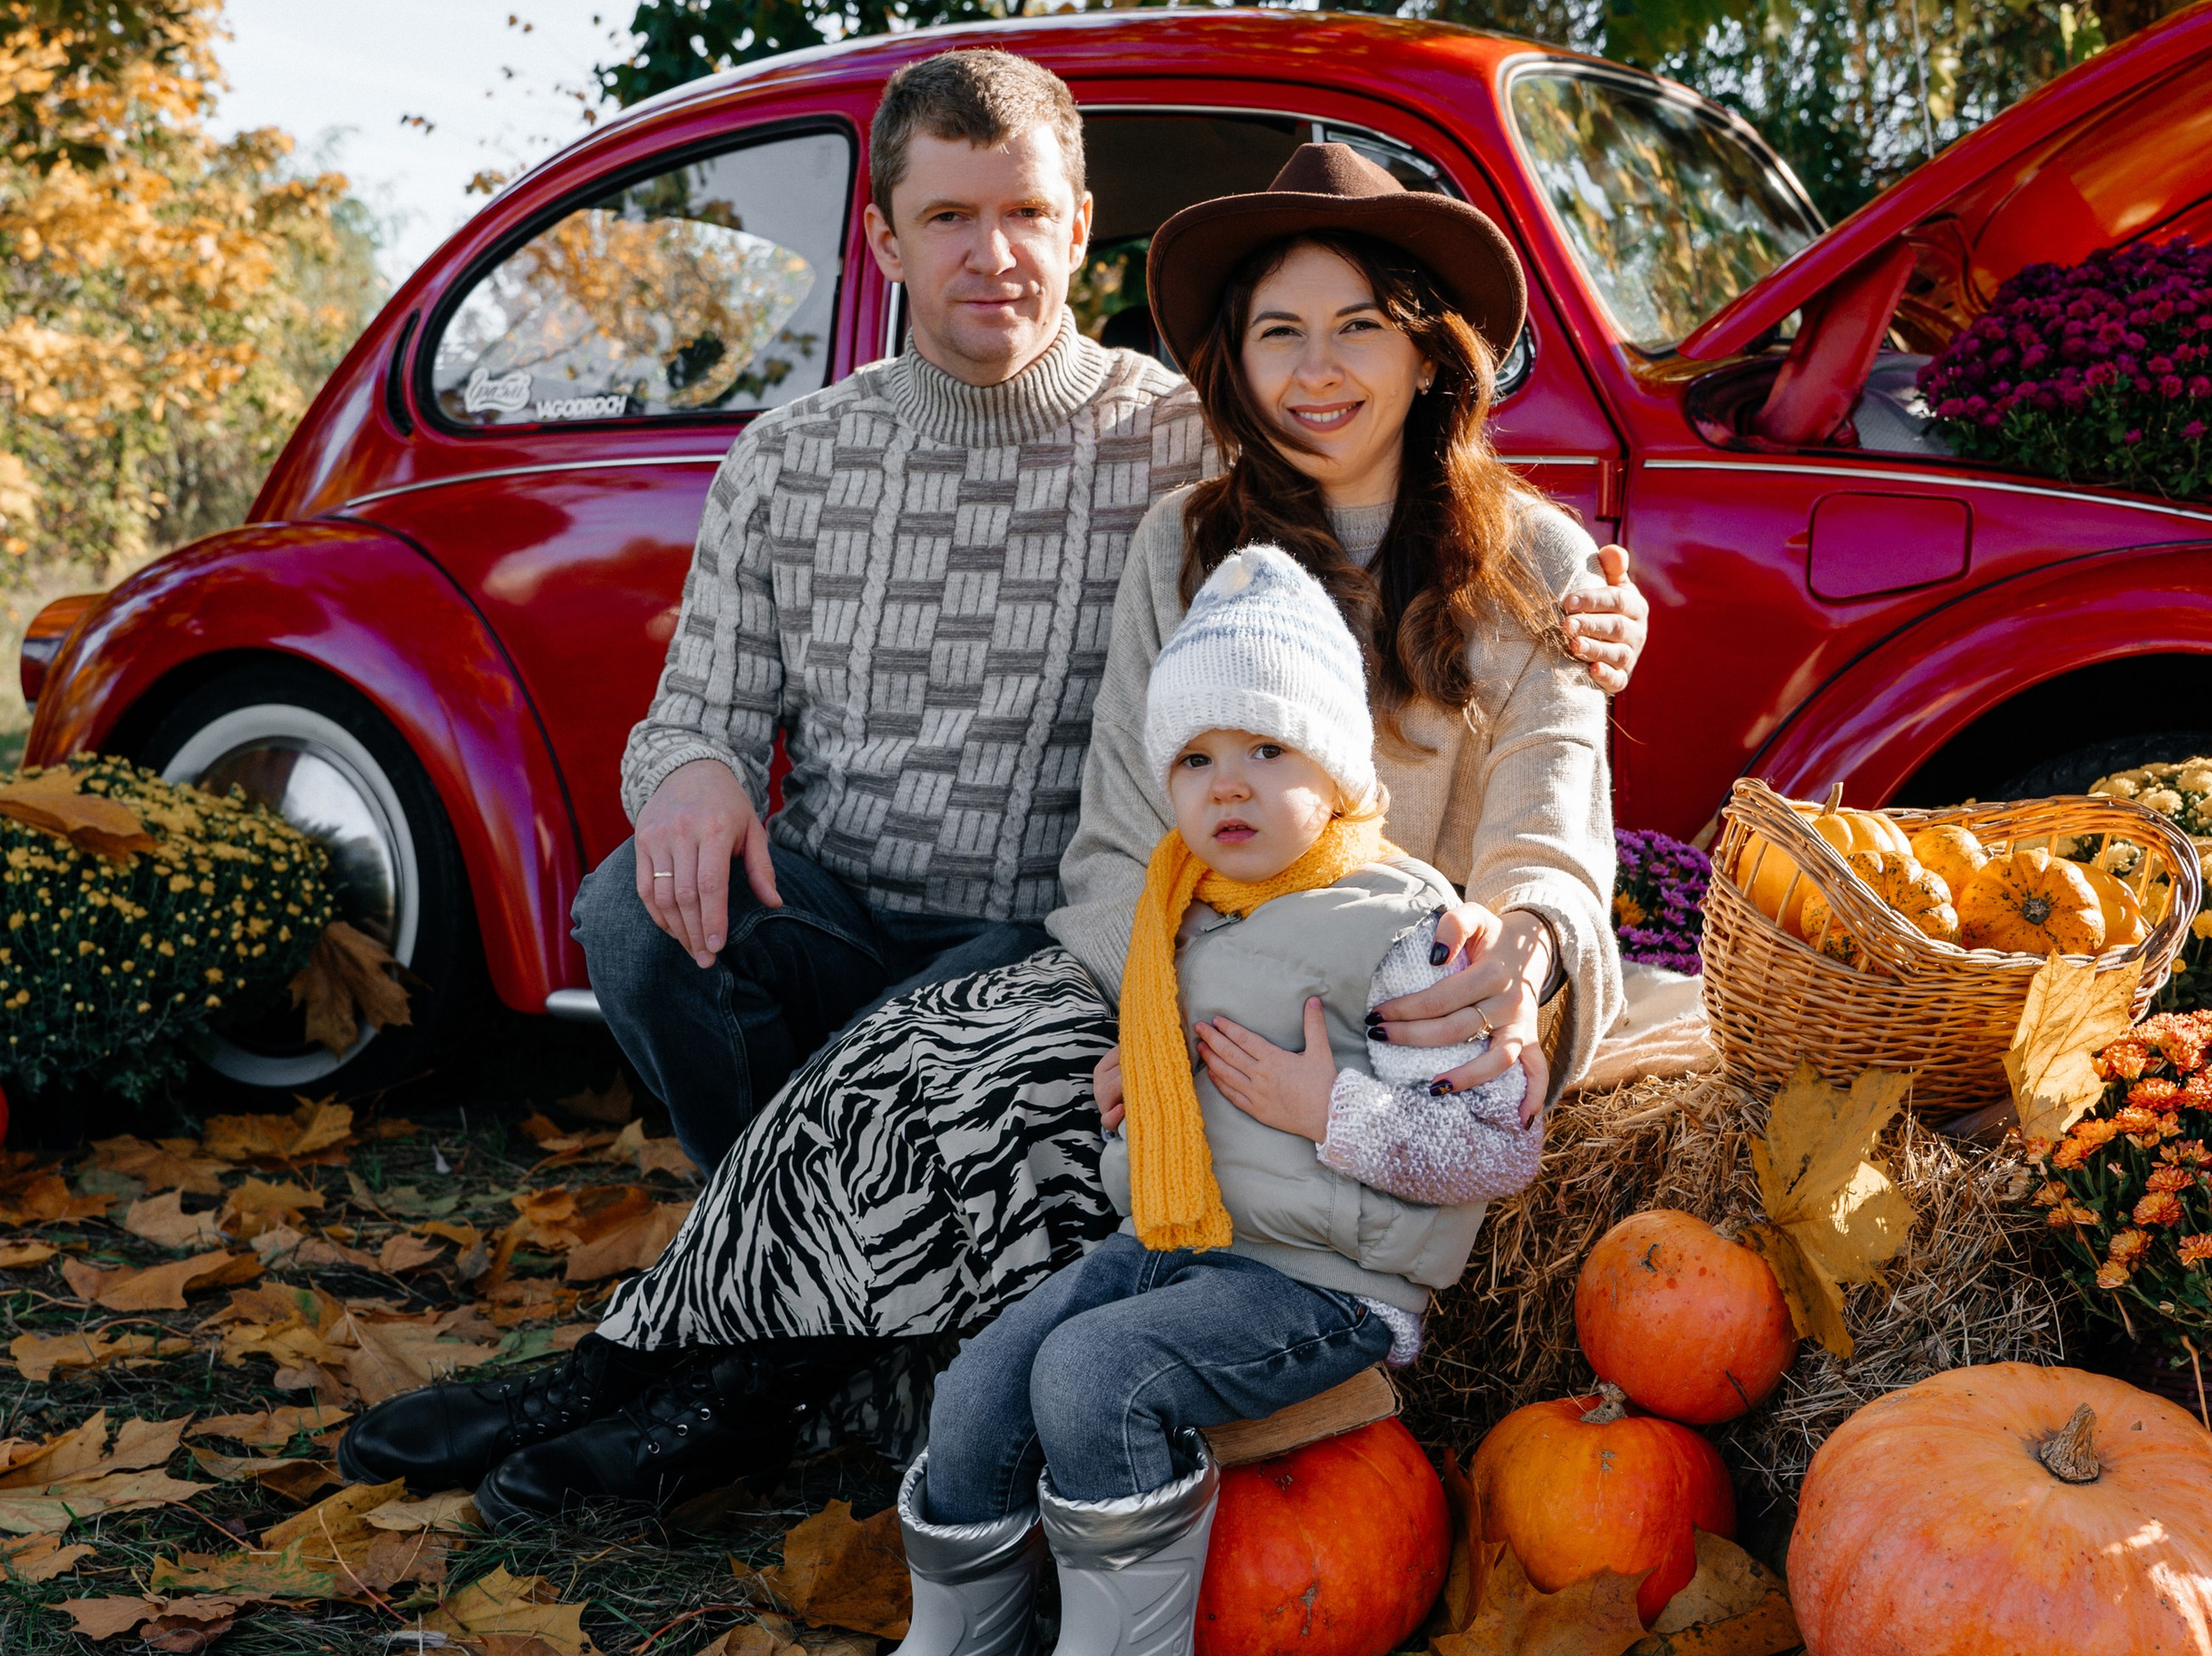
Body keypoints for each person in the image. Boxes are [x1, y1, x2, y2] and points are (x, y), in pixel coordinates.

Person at [342, 85, 1642, 1516]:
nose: (1316, 371)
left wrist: (1530, 941)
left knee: (929, 1079)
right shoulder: (1184, 528)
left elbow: (1550, 831)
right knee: (757, 990)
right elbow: (1122, 828)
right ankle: (668, 1371)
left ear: (1430, 347)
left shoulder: (1498, 553)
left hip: (1297, 988)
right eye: (1280, 332)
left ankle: (703, 1382)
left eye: (1362, 328)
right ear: (886, 239)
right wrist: (696, 767)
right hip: (1064, 940)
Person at [811, 544, 1555, 1656]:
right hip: (1183, 1241)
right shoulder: (1183, 912)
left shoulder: (1409, 929)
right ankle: (960, 1652)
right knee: (984, 1374)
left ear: (1338, 767)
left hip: (1323, 1283)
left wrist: (1330, 1108)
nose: (1230, 783)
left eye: (1268, 747)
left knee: (1097, 1371)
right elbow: (1200, 1118)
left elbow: (1501, 1149)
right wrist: (1138, 1104)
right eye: (1197, 758)